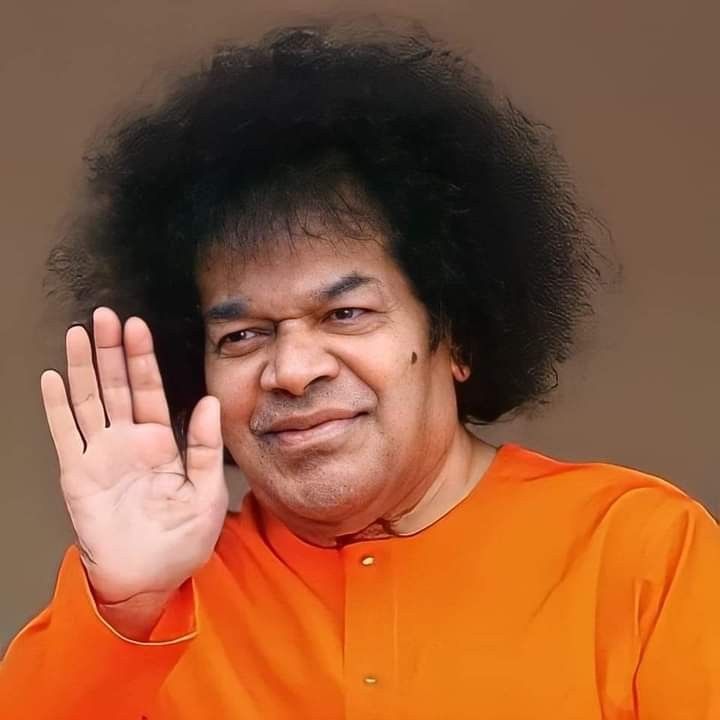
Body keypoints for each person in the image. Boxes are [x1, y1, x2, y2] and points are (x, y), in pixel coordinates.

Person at [1, 19, 718, 720]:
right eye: (244, 335)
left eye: (345, 315)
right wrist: (126, 607)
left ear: (457, 335)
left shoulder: (640, 551)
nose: (292, 370)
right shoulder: (156, 590)